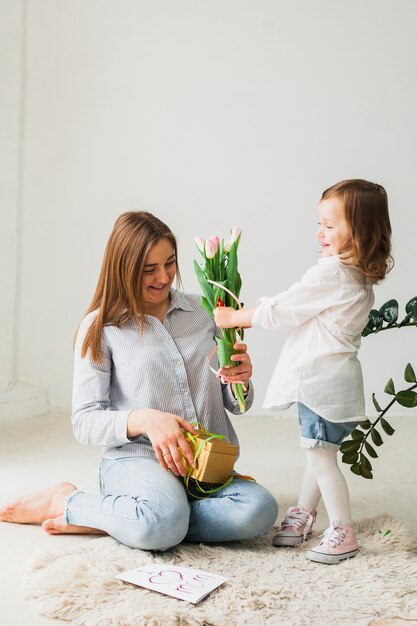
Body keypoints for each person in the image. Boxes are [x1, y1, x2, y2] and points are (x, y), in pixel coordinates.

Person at [0, 211, 278, 550]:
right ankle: (68, 502)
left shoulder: (207, 312)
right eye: (149, 269)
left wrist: (241, 380)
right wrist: (145, 419)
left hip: (205, 463)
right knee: (164, 520)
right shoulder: (100, 328)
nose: (163, 277)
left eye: (170, 263)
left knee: (259, 510)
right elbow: (84, 421)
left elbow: (238, 404)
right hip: (137, 459)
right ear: (124, 268)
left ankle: (128, 519)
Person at [214, 179, 393, 565]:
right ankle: (304, 514)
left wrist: (234, 317)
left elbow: (284, 310)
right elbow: (298, 304)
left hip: (320, 384)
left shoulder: (332, 273)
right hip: (340, 383)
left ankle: (342, 529)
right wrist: (266, 304)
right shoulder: (358, 277)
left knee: (320, 458)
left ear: (358, 232)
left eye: (330, 225)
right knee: (322, 452)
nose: (320, 232)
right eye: (320, 223)